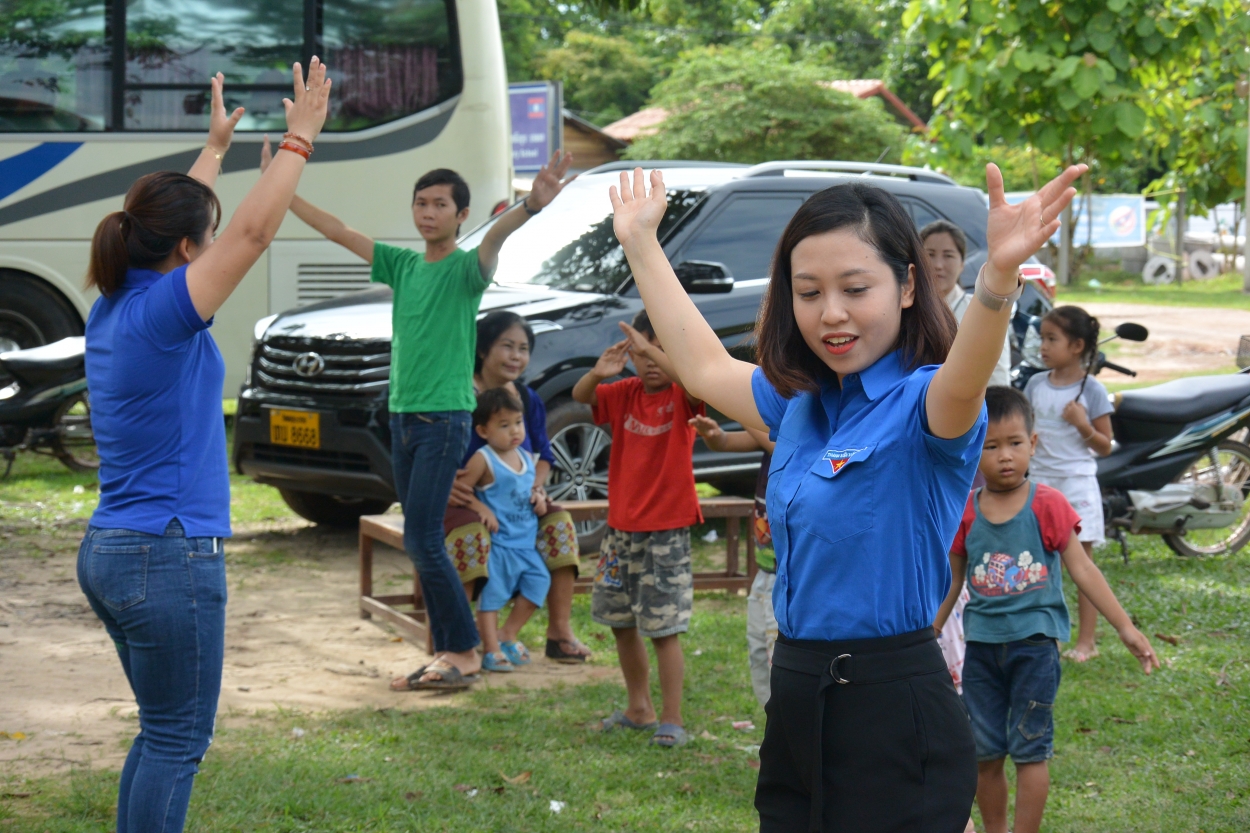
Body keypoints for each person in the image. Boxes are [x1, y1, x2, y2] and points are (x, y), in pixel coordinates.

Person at [607, 160, 1087, 830]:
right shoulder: (799, 404)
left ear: (908, 285)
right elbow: (703, 364)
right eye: (808, 291)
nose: (831, 313)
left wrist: (996, 282)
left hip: (893, 705)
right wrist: (642, 243)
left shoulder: (927, 406)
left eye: (855, 288)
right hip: (799, 691)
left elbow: (967, 375)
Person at [78, 64, 330, 832]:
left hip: (115, 549)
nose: (215, 247)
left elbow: (176, 226)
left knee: (160, 733)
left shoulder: (117, 303)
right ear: (188, 249)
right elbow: (251, 233)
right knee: (178, 738)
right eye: (204, 238)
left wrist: (214, 152)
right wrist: (300, 139)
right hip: (167, 554)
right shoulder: (164, 315)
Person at [263, 138, 575, 690]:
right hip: (403, 418)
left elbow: (496, 237)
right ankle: (457, 648)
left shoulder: (465, 271)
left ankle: (462, 650)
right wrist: (283, 188)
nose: (428, 212)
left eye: (440, 204)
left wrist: (530, 207)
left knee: (425, 537)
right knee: (418, 536)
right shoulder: (402, 264)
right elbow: (337, 230)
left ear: (461, 215)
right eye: (421, 202)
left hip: (444, 419)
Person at [934, 386, 1157, 833]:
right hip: (981, 650)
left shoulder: (1048, 504)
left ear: (1033, 444)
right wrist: (925, 637)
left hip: (1034, 648)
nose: (1005, 457)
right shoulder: (966, 513)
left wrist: (1126, 629)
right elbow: (951, 583)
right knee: (984, 752)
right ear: (974, 452)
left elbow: (1084, 571)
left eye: (1015, 443)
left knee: (1031, 749)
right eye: (991, 446)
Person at [572, 310, 704, 748]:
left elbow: (692, 381)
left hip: (665, 531)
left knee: (664, 627)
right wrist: (597, 373)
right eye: (643, 350)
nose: (650, 360)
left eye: (662, 351)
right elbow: (581, 395)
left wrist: (658, 352)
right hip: (620, 531)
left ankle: (672, 718)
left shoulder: (685, 396)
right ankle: (638, 707)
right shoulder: (624, 392)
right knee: (619, 620)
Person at [444, 311, 590, 663]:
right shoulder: (457, 393)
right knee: (469, 533)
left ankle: (558, 632)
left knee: (559, 525)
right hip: (464, 497)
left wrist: (537, 488)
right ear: (482, 350)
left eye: (523, 349)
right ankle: (458, 641)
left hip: (518, 499)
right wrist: (444, 484)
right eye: (506, 346)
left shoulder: (527, 399)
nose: (516, 356)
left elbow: (543, 453)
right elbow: (436, 448)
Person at [1024, 305, 1114, 663]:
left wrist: (1082, 425)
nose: (1043, 346)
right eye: (1042, 338)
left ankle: (1087, 641)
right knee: (1041, 564)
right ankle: (1047, 634)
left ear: (1077, 346)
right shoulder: (1034, 384)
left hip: (1076, 484)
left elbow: (1105, 445)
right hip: (1041, 483)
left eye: (1051, 339)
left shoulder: (1091, 390)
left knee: (1082, 564)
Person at [455, 388, 553, 672]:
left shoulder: (524, 457)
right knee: (493, 597)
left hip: (526, 543)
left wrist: (539, 499)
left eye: (518, 423)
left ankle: (507, 633)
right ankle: (490, 649)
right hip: (500, 545)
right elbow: (463, 491)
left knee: (539, 583)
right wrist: (481, 508)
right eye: (504, 425)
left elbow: (531, 489)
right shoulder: (483, 459)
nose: (514, 431)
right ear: (483, 431)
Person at [688, 414, 778, 710]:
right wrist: (715, 436)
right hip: (765, 571)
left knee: (779, 661)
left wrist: (743, 409)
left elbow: (779, 444)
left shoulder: (796, 429)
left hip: (790, 577)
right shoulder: (773, 423)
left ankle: (790, 739)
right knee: (758, 652)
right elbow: (727, 442)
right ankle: (774, 732)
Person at [921, 220, 1012, 387]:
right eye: (930, 254)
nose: (938, 265)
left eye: (948, 255)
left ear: (962, 264)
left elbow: (998, 375)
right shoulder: (901, 308)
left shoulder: (982, 311)